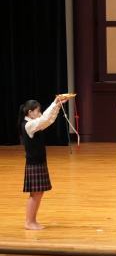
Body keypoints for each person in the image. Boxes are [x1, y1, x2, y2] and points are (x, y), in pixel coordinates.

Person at [18, 95, 69, 230]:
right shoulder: (29, 125)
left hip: (39, 162)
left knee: (39, 193)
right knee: (34, 194)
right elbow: (44, 118)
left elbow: (49, 120)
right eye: (38, 110)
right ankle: (29, 222)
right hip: (33, 164)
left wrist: (58, 106)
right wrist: (54, 102)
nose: (39, 113)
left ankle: (33, 221)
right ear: (30, 112)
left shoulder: (35, 124)